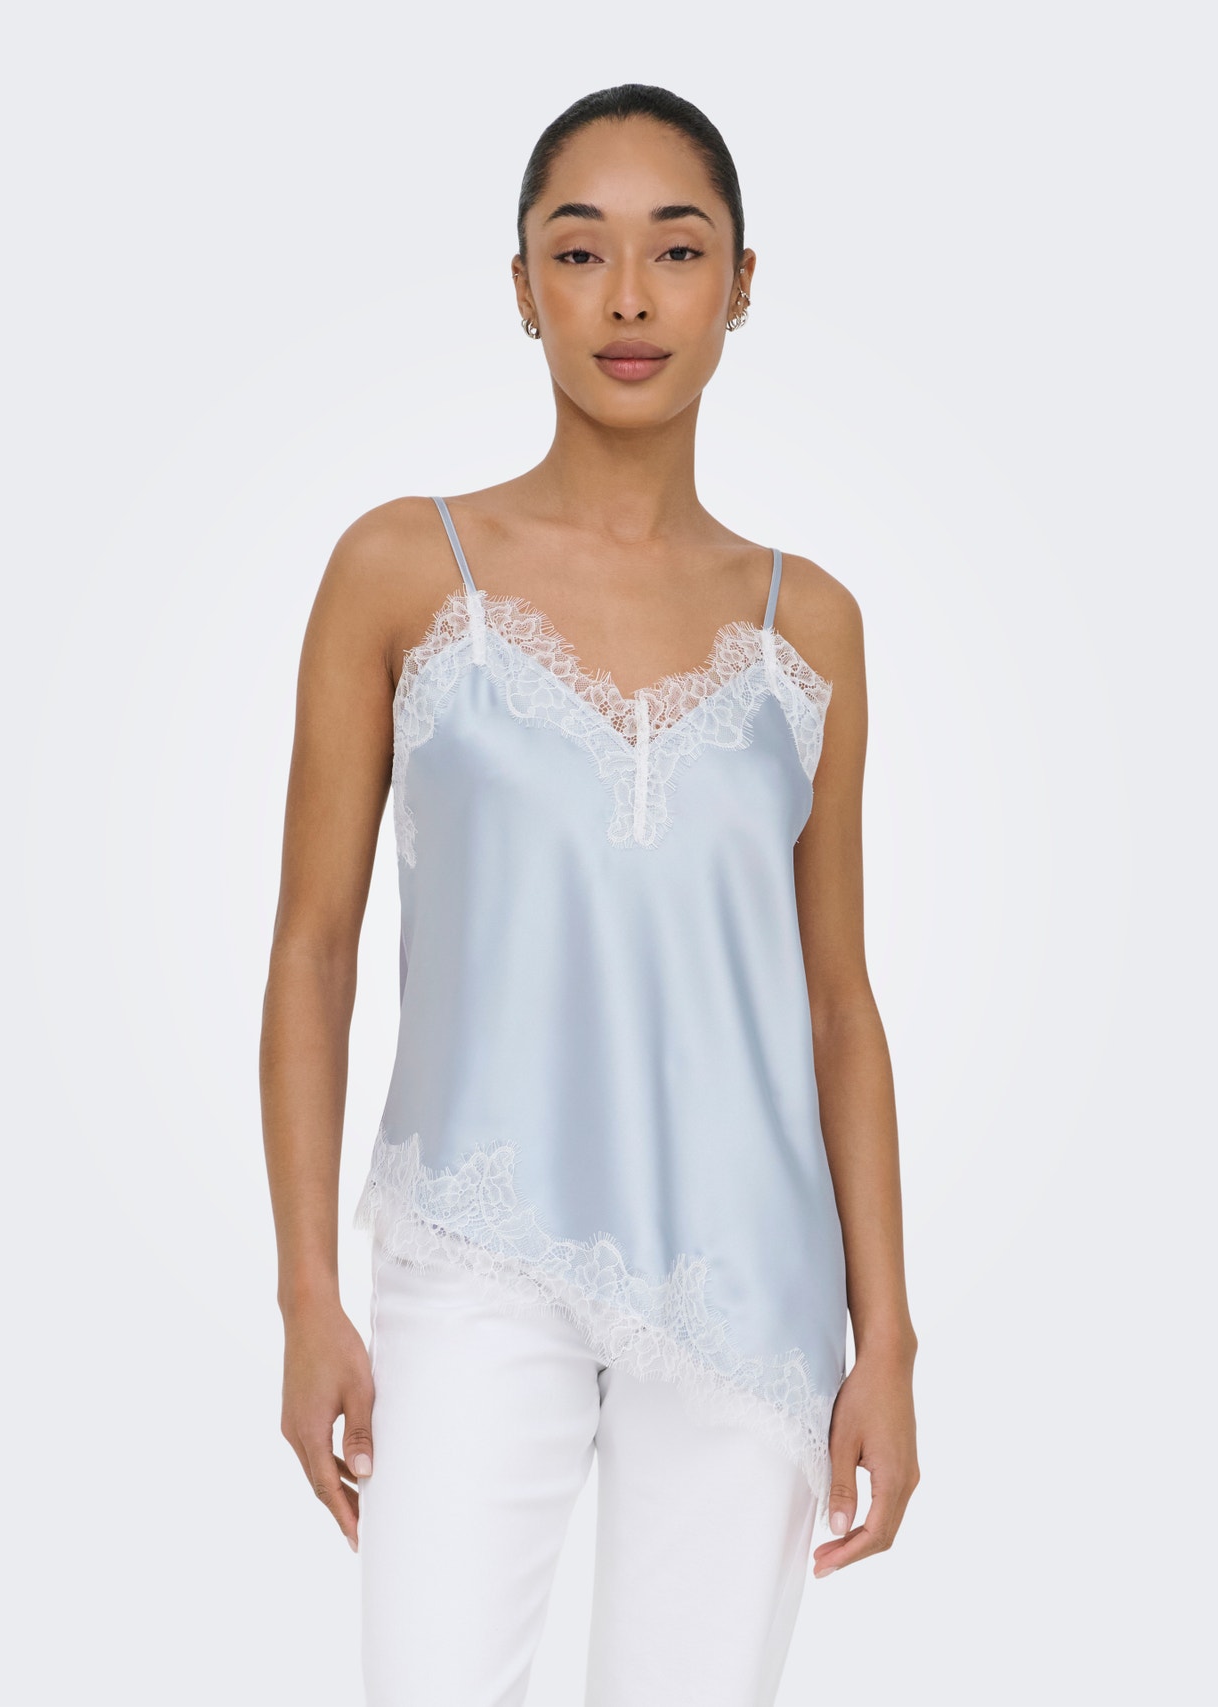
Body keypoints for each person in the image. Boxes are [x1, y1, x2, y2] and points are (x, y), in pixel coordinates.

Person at [259, 82, 919, 1707]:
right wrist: (305, 1295)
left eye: (676, 251)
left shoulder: (811, 625)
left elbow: (838, 999)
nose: (630, 297)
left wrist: (888, 1339)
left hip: (751, 1286)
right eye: (581, 250)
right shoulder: (401, 570)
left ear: (741, 285)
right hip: (473, 1255)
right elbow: (313, 953)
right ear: (523, 287)